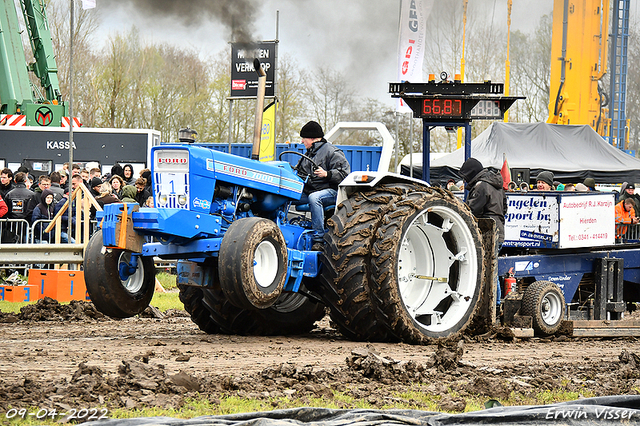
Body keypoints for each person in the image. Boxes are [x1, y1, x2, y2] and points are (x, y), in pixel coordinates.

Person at [291, 121, 350, 250]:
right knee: (288, 194)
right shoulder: (308, 154)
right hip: (311, 190)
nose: (301, 141)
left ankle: (318, 239)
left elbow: (345, 174)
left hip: (331, 192)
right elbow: (299, 172)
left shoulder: (332, 152)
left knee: (314, 198)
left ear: (312, 138)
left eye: (304, 138)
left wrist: (327, 174)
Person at [459, 157, 506, 302]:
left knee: (488, 269)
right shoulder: (497, 185)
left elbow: (472, 211)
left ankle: (494, 304)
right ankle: (496, 305)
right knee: (492, 268)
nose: (464, 181)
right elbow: (504, 208)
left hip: (486, 231)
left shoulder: (481, 186)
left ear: (471, 174)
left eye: (465, 177)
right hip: (498, 230)